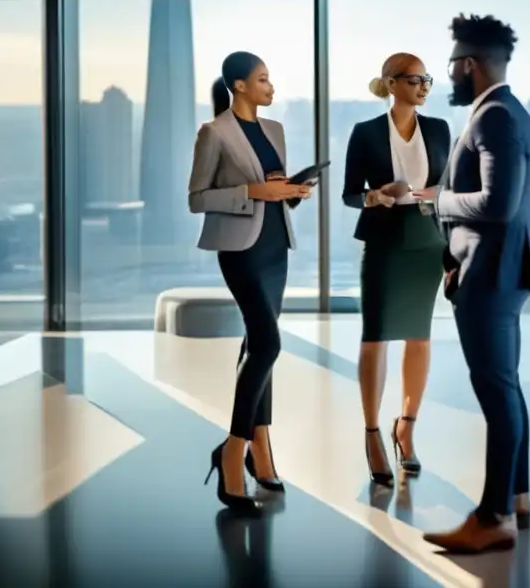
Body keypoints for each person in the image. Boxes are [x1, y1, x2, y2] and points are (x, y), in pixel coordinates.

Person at [416, 15, 530, 554]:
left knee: (495, 391)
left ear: (469, 64)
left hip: (489, 275)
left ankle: (492, 519)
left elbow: (497, 203)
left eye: (451, 65)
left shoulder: (494, 118)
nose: (449, 75)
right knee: (505, 386)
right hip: (492, 269)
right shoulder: (511, 113)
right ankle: (517, 497)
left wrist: (435, 200)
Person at [189, 51, 314, 512]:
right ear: (239, 86)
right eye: (262, 79)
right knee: (268, 344)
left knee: (255, 344)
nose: (271, 86)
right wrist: (254, 192)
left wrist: (290, 191)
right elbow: (197, 198)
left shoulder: (274, 130)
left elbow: (273, 189)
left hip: (275, 244)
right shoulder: (214, 133)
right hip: (240, 250)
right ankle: (232, 449)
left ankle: (261, 449)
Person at [341, 52, 450, 486]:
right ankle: (371, 433)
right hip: (384, 241)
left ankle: (406, 427)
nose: (424, 86)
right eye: (414, 79)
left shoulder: (439, 129)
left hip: (427, 240)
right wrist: (376, 196)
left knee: (419, 338)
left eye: (427, 79)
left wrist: (431, 193)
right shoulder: (365, 132)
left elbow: (453, 186)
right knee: (374, 339)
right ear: (390, 83)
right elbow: (351, 193)